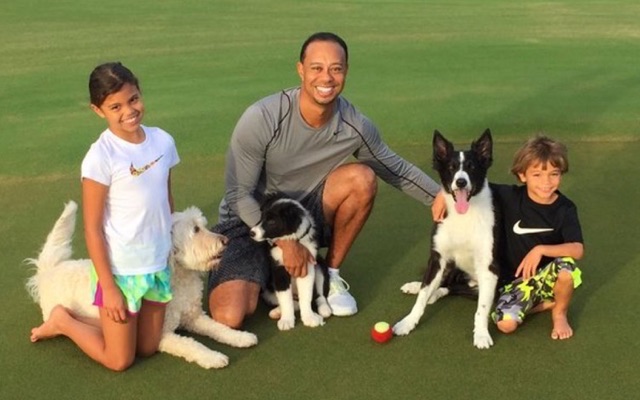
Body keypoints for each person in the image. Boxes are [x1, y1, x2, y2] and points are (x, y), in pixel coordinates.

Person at [207, 32, 444, 328]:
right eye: (317, 68)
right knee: (228, 316)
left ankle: (329, 276)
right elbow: (238, 194)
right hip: (248, 223)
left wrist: (443, 197)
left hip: (302, 221)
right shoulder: (262, 117)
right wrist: (285, 243)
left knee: (362, 177)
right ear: (301, 70)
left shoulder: (354, 125)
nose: (327, 78)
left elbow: (394, 167)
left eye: (336, 68)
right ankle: (273, 270)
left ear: (346, 72)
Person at [30, 62, 180, 371]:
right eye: (115, 106)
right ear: (98, 110)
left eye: (133, 99)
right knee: (119, 359)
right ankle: (63, 322)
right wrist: (109, 288)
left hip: (156, 264)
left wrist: (169, 248)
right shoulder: (100, 157)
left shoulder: (163, 141)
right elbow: (92, 228)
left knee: (148, 348)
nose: (129, 111)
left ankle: (98, 323)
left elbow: (166, 200)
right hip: (121, 272)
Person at [491, 135, 584, 340]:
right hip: (515, 281)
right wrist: (443, 196)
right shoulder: (510, 197)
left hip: (547, 277)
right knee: (506, 325)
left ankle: (559, 313)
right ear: (522, 175)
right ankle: (540, 304)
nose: (546, 182)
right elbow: (473, 186)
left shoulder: (565, 208)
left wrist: (540, 249)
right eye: (537, 175)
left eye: (554, 174)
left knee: (567, 269)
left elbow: (578, 249)